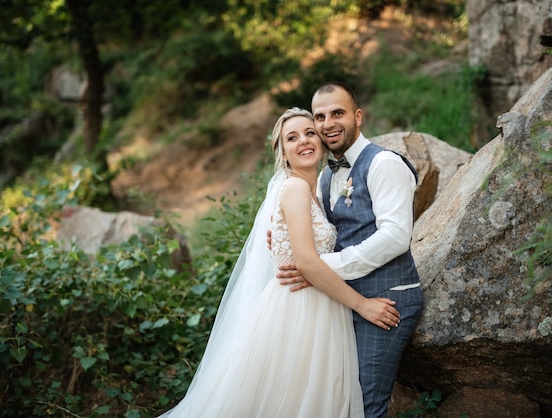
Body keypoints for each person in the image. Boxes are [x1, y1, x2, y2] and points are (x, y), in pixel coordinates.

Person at [157, 107, 399, 418]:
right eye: (292, 138)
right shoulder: (296, 188)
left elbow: (304, 248)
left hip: (320, 307)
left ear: (322, 140)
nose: (304, 141)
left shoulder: (316, 188)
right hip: (298, 312)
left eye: (310, 133)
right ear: (283, 152)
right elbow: (307, 263)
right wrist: (363, 305)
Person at [276, 82, 424, 418]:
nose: (328, 123)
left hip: (388, 300)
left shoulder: (384, 164)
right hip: (344, 302)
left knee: (364, 406)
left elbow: (396, 236)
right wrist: (285, 238)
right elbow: (328, 233)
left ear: (358, 116)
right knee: (337, 400)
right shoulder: (326, 178)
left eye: (338, 113)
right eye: (321, 116)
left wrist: (323, 267)